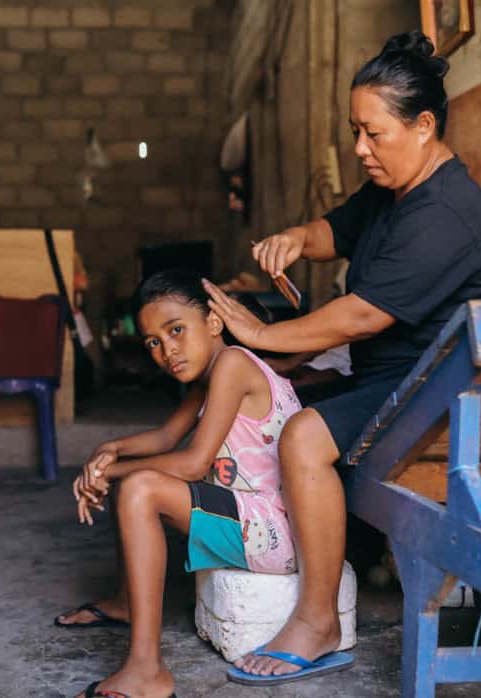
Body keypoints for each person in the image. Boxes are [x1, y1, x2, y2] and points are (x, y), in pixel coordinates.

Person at [201, 30, 481, 685]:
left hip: (438, 395)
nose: (360, 148)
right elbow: (333, 231)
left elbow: (360, 315)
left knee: (304, 435)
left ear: (423, 126)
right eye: (354, 131)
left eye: (373, 133)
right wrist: (291, 240)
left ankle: (317, 621)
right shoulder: (393, 191)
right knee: (266, 400)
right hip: (390, 382)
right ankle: (256, 552)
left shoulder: (447, 210)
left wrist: (260, 334)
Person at [62, 269, 303, 698]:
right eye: (154, 342)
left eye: (176, 330)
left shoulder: (233, 363)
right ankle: (124, 601)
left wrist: (104, 472)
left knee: (139, 486)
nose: (166, 350)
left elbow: (193, 463)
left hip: (270, 531)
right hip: (247, 515)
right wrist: (109, 450)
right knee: (134, 479)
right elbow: (164, 438)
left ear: (213, 323)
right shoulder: (212, 373)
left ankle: (146, 672)